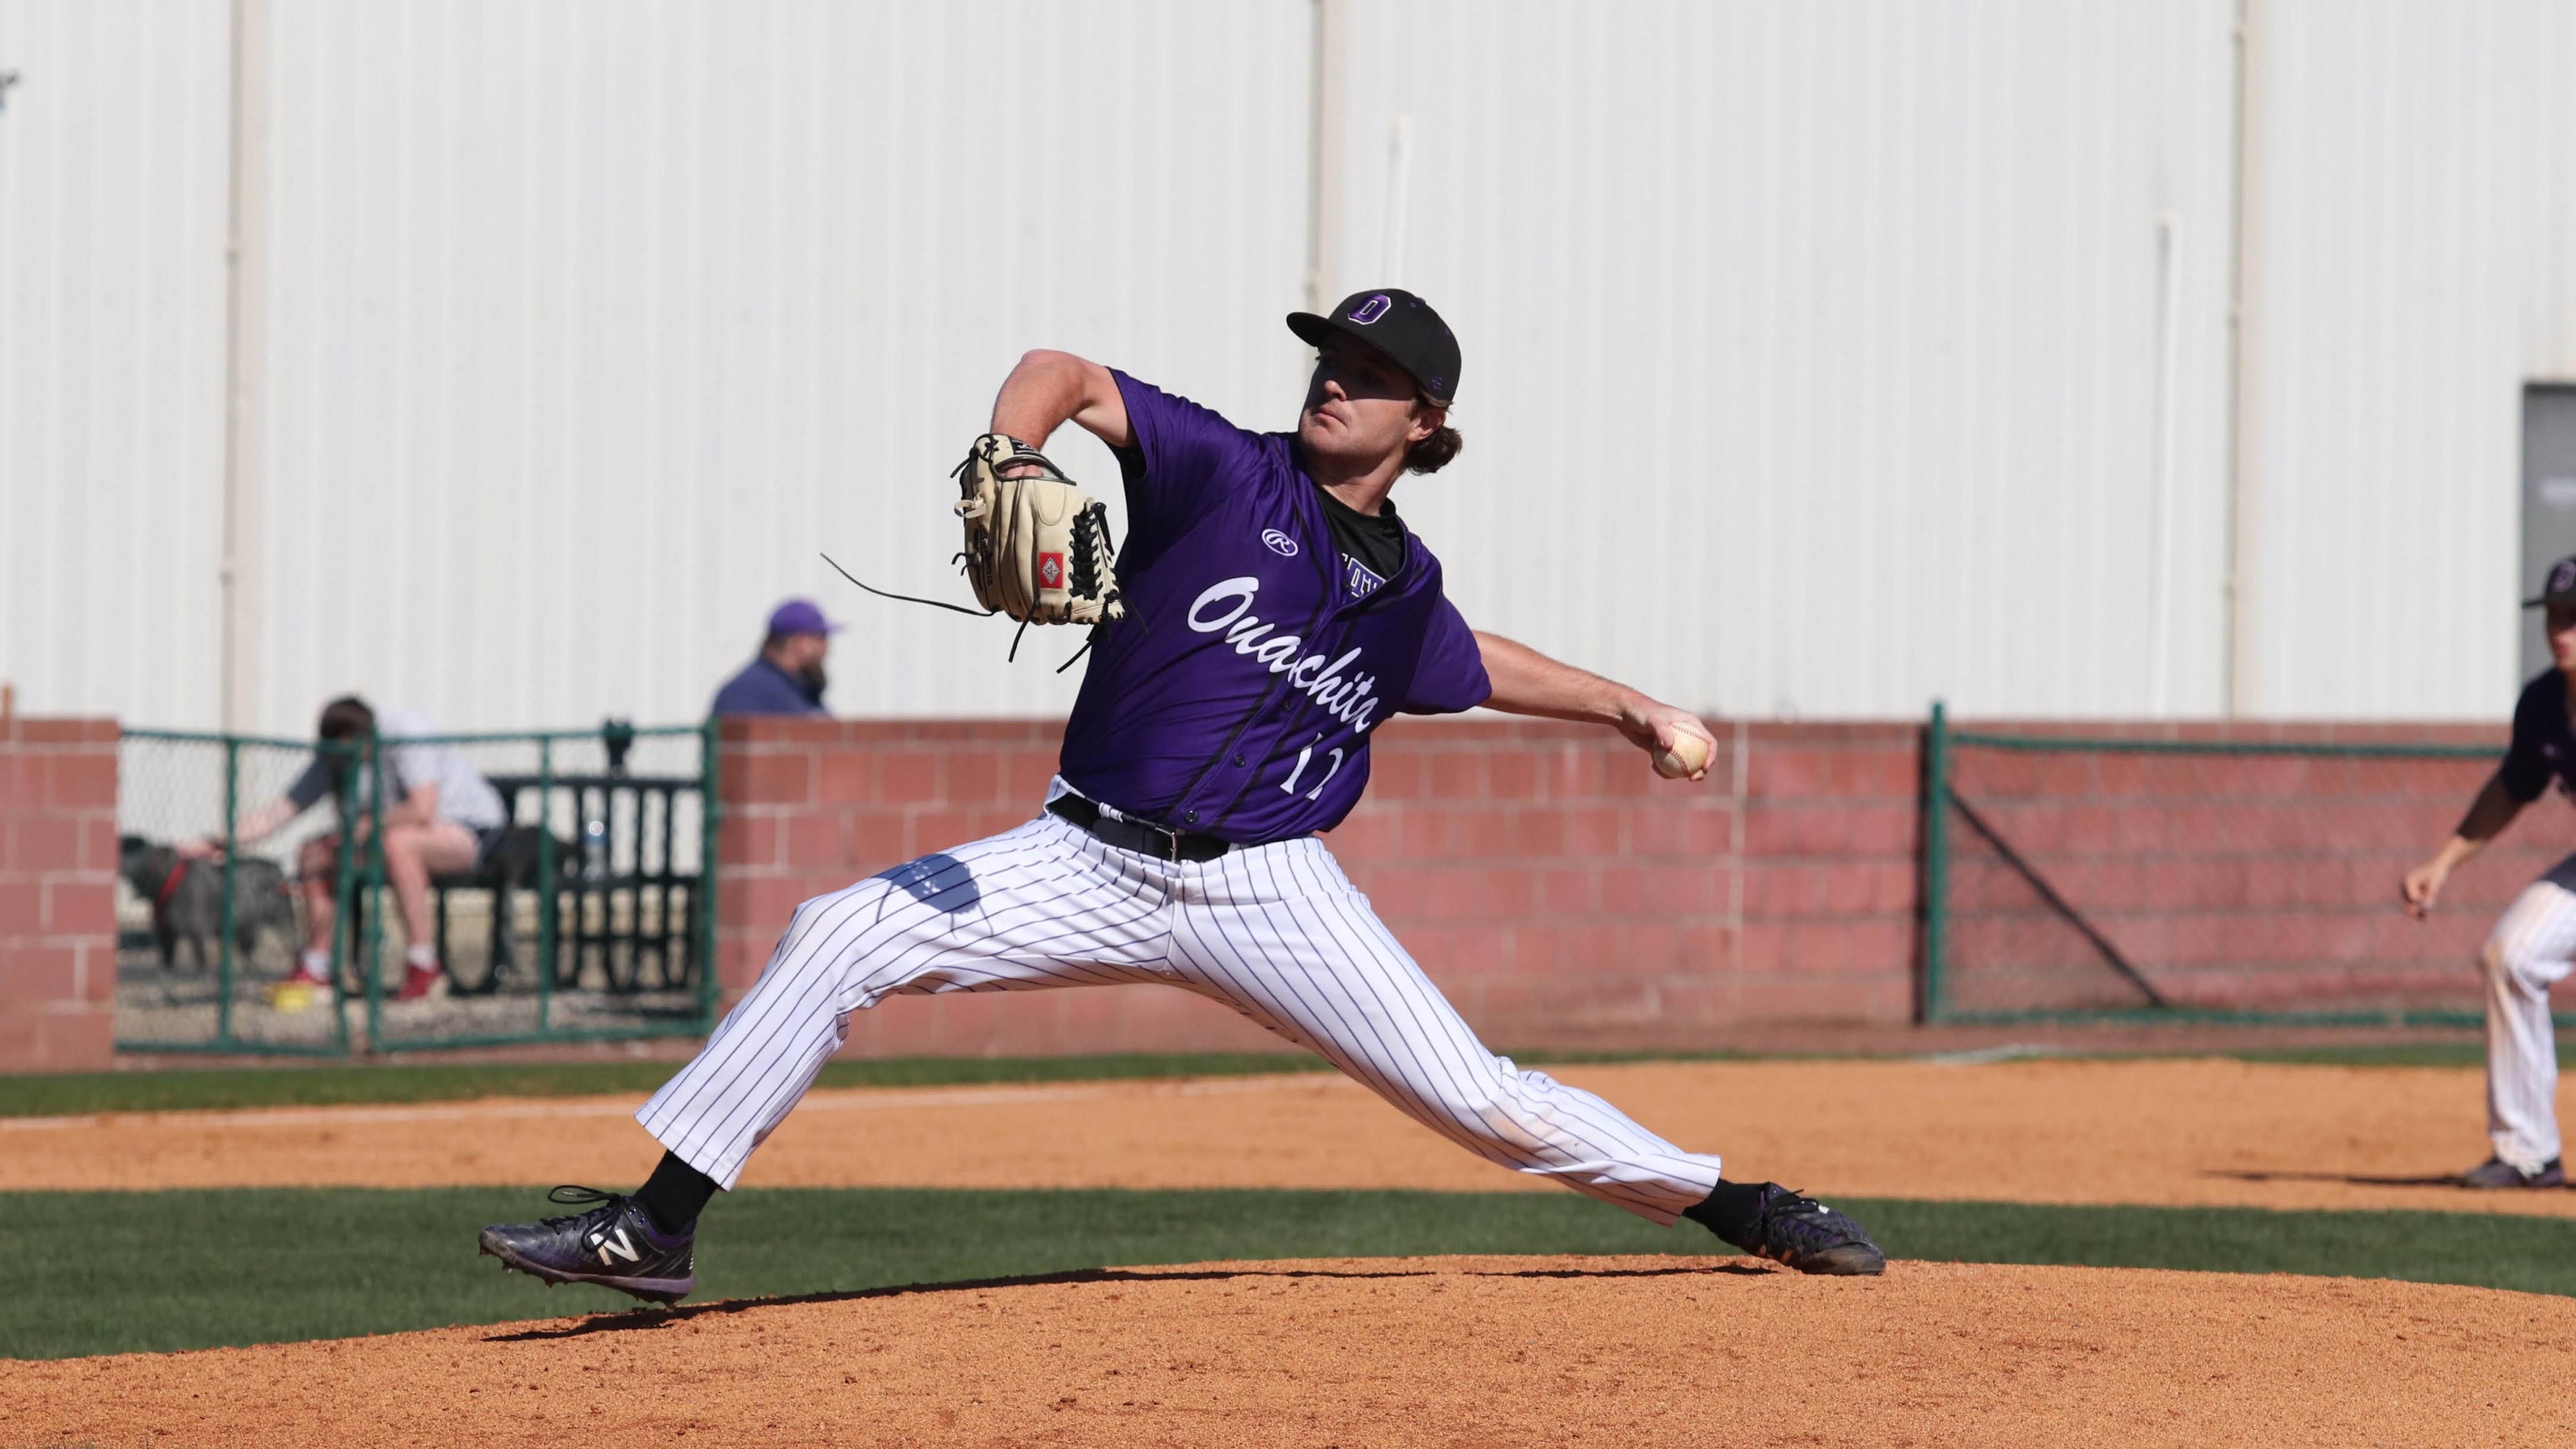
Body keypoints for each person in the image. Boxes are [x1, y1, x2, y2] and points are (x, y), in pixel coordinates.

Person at [479, 288, 1886, 1304]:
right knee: (840, 930)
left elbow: (1476, 664)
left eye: (1370, 369)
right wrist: (1019, 453)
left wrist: (1630, 705)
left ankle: (1739, 1200)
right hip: (1080, 853)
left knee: (1487, 1104)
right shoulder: (1220, 470)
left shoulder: (1406, 591)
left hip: (1265, 886)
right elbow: (1062, 367)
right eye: (1331, 353)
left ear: (1424, 420)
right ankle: (656, 1225)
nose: (1336, 378)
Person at [2402, 554, 2576, 1189]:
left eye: (2574, 616)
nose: (2561, 628)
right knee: (2510, 954)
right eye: (2554, 615)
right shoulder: (2542, 703)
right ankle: (2527, 1151)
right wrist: (2440, 862)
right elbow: (2511, 787)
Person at [187, 695, 508, 1002]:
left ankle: (424, 968)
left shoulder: (406, 731)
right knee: (314, 854)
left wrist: (369, 825)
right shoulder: (335, 755)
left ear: (360, 737)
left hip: (467, 831)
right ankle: (316, 967)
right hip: (389, 838)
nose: (340, 761)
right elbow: (282, 810)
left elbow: (423, 810)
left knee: (399, 843)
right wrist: (219, 842)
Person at [710, 600, 838, 717]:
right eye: (822, 638)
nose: (827, 649)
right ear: (800, 643)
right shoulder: (747, 693)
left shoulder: (800, 689)